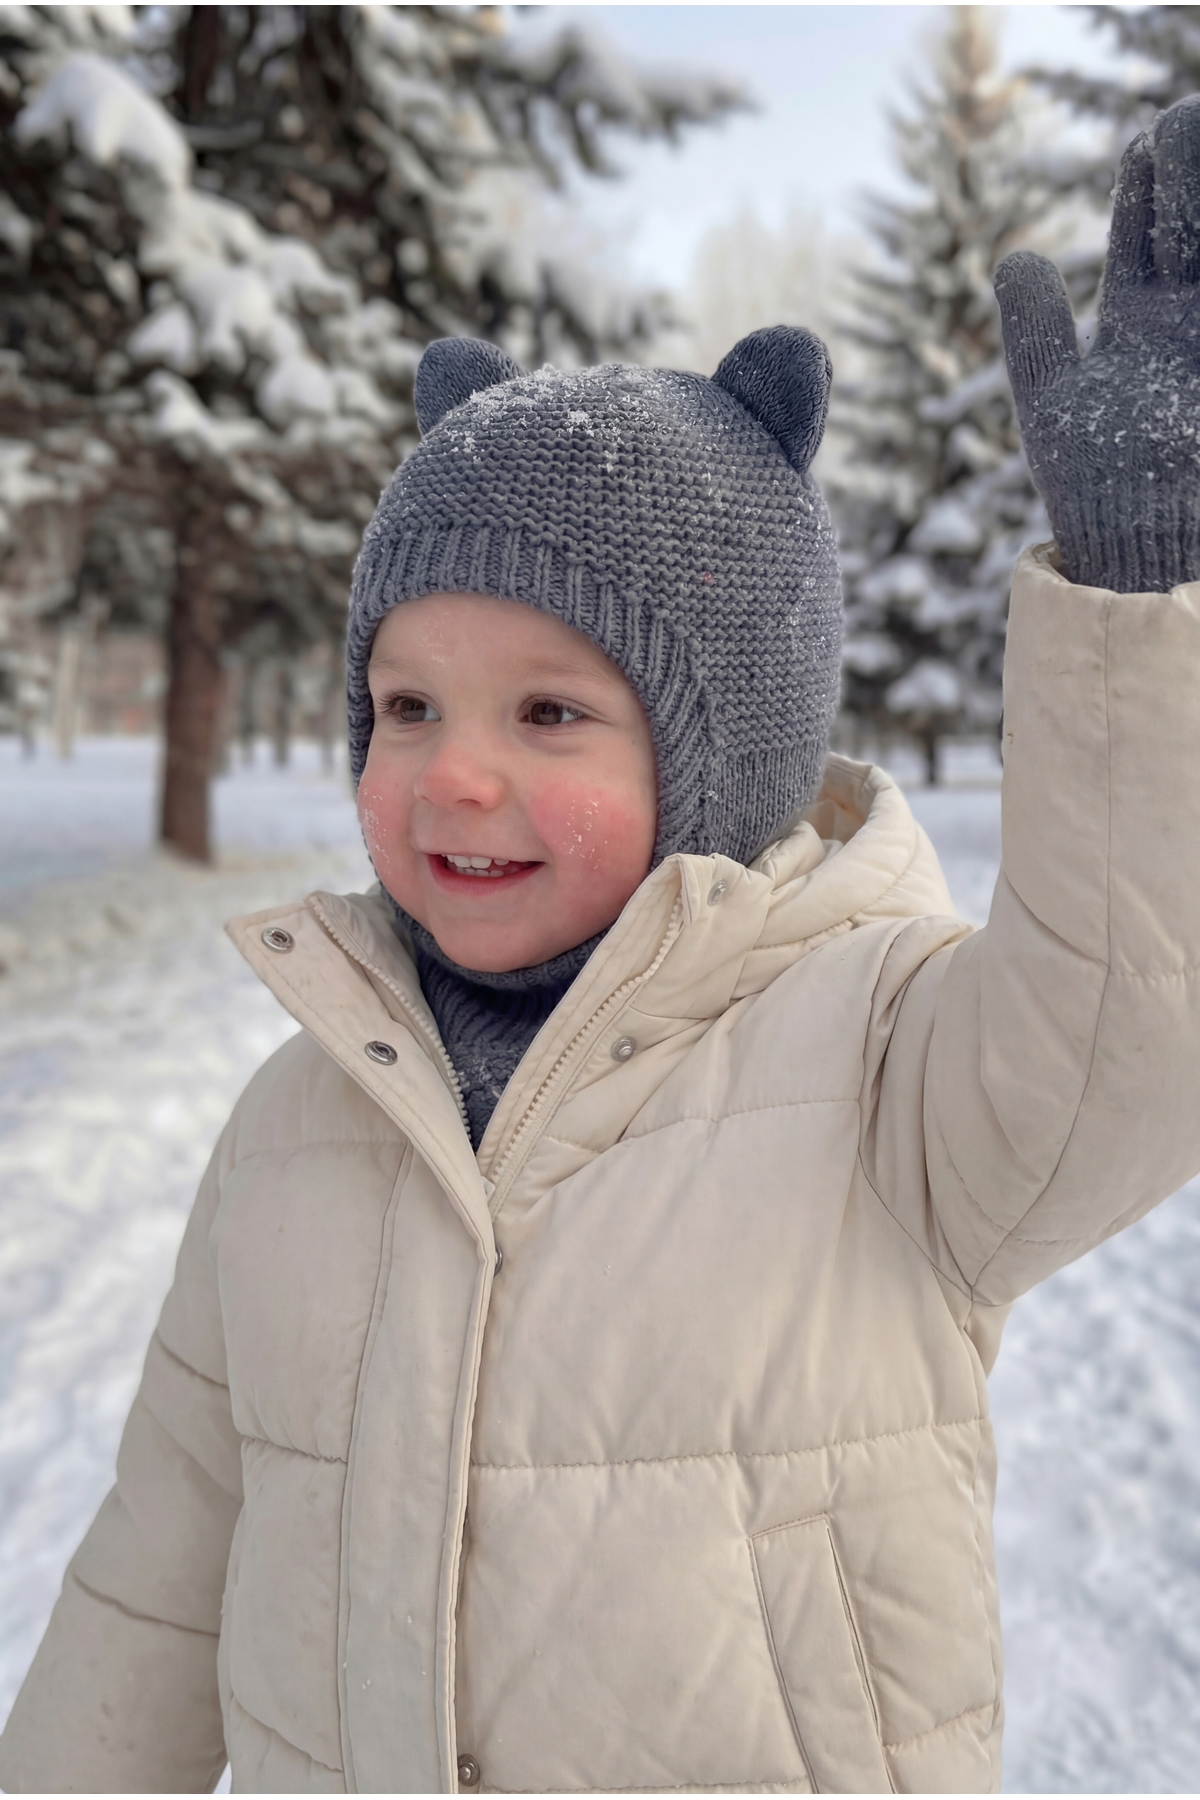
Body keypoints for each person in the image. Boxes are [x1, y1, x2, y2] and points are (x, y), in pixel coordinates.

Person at [4, 99, 1200, 1798]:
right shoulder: (297, 1123)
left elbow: (1133, 1036)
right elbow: (152, 1586)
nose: (452, 773)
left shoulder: (876, 1064)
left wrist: (1142, 611)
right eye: (405, 705)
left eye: (551, 711)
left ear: (723, 758)